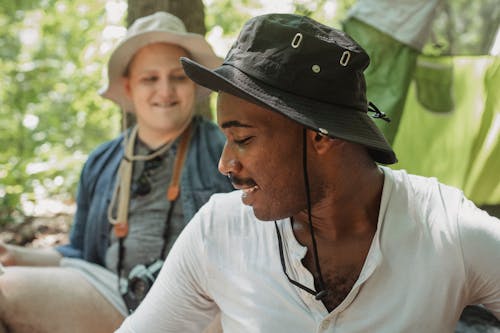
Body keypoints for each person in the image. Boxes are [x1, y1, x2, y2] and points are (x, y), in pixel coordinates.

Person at [115, 13, 500, 332]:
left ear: (320, 136)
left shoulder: (448, 230)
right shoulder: (219, 231)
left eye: (244, 139)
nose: (225, 164)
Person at [0, 11, 232, 333]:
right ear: (128, 86)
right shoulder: (101, 162)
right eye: (150, 78)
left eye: (178, 77)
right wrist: (12, 253)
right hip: (112, 292)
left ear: (193, 84)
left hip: (197, 304)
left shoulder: (225, 150)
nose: (165, 90)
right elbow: (79, 252)